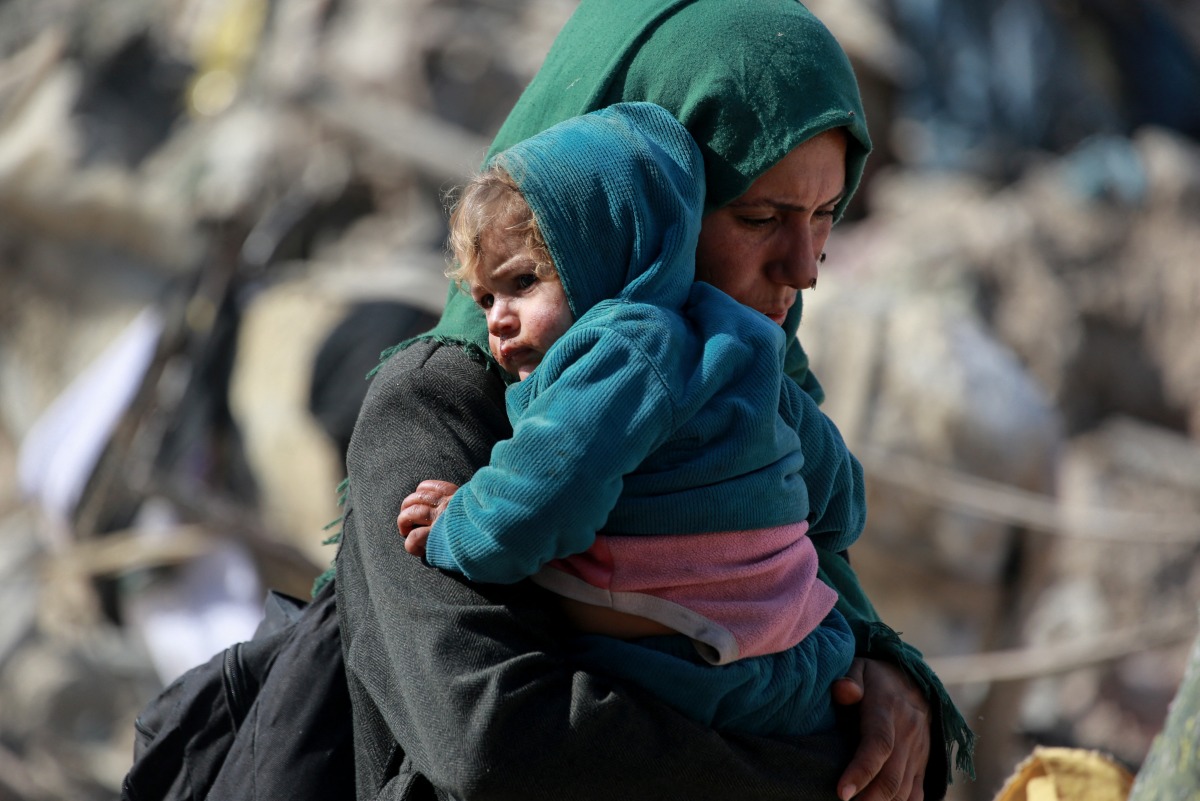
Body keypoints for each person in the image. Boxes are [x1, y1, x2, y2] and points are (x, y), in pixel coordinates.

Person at [332, 2, 975, 800]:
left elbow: (818, 571)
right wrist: (820, 757)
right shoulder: (437, 407)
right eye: (761, 216)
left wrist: (889, 683)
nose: (805, 268)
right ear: (645, 207)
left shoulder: (751, 379)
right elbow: (500, 740)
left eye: (824, 218)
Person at [399, 102, 862, 739]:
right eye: (484, 300)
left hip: (697, 669)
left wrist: (457, 523)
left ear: (605, 253)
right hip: (806, 651)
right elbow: (841, 503)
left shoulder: (622, 350)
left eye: (524, 282)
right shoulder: (741, 342)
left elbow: (535, 509)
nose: (497, 321)